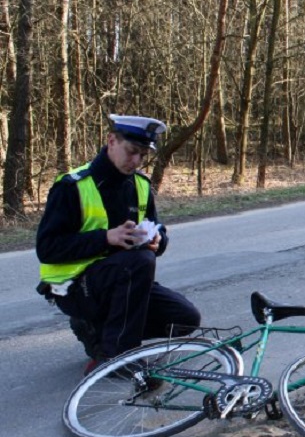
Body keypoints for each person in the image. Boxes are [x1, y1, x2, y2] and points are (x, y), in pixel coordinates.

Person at [36, 114, 201, 373]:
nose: (136, 162)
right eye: (132, 152)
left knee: (185, 319)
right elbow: (47, 248)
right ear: (111, 140)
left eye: (143, 156)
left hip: (124, 282)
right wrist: (105, 238)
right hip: (75, 288)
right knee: (137, 262)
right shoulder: (72, 186)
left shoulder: (140, 185)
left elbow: (155, 227)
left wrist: (158, 239)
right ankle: (118, 357)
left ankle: (100, 332)